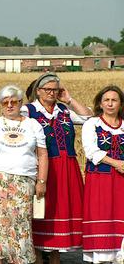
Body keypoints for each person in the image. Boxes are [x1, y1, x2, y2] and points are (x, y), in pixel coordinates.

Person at [22, 72, 92, 264]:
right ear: (38, 91)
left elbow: (90, 118)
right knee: (42, 210)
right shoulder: (28, 111)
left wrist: (68, 99)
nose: (52, 93)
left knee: (62, 210)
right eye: (48, 89)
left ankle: (55, 256)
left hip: (67, 168)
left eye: (55, 89)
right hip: (43, 167)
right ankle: (36, 256)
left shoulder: (64, 110)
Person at [0, 85, 48, 264]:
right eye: (5, 102)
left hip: (24, 180)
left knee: (21, 224)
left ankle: (19, 260)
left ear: (20, 103)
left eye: (13, 102)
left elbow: (42, 154)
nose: (9, 105)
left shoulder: (33, 125)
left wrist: (41, 181)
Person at [81, 85, 124, 263]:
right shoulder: (92, 124)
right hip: (100, 178)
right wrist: (117, 163)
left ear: (121, 104)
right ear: (100, 103)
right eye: (106, 100)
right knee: (102, 215)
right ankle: (101, 258)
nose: (110, 103)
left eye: (114, 100)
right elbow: (91, 151)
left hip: (122, 179)